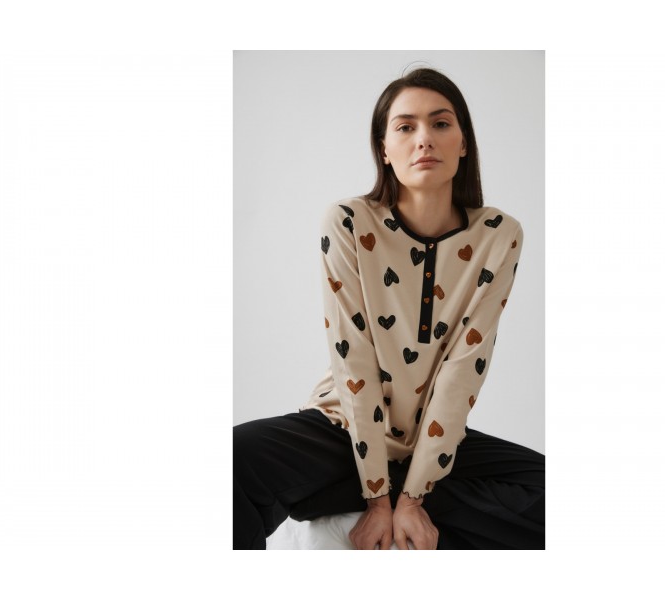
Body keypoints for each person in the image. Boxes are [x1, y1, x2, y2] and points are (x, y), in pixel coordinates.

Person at [233, 67, 545, 550]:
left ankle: (338, 494)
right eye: (405, 127)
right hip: (345, 427)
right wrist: (378, 499)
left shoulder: (498, 235)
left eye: (441, 123)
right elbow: (353, 360)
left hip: (434, 443)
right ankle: (355, 490)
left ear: (464, 142)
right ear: (384, 148)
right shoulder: (349, 221)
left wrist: (413, 498)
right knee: (232, 461)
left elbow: (464, 370)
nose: (424, 139)